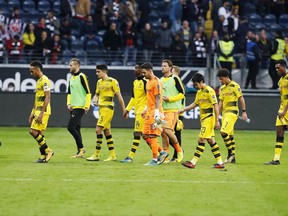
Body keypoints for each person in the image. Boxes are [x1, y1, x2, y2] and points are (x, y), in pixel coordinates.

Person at [179, 73, 225, 169]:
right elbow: (195, 104)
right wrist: (184, 109)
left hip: (209, 118)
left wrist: (217, 120)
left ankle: (193, 162)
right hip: (203, 119)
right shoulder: (199, 92)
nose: (195, 87)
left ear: (201, 82)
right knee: (211, 140)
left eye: (196, 84)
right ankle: (220, 162)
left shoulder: (209, 91)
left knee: (201, 139)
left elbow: (215, 106)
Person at [86, 64, 126, 162]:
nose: (96, 73)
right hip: (100, 109)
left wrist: (124, 109)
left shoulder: (113, 81)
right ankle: (113, 155)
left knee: (98, 130)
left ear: (104, 71)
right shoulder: (99, 82)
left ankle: (96, 154)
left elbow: (119, 96)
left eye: (98, 71)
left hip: (108, 108)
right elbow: (96, 94)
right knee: (106, 131)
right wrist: (94, 100)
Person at [140, 62, 169, 166]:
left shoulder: (156, 82)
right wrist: (145, 109)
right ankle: (162, 152)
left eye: (144, 72)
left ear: (150, 71)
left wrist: (157, 112)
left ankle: (155, 159)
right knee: (144, 135)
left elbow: (157, 98)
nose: (143, 75)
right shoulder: (148, 82)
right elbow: (150, 98)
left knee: (153, 134)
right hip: (149, 111)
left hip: (156, 112)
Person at [217, 68, 248, 163]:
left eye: (222, 79)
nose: (221, 81)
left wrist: (244, 111)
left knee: (223, 132)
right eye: (220, 79)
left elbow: (241, 98)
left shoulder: (235, 86)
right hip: (225, 113)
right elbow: (221, 102)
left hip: (233, 112)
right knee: (229, 135)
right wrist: (217, 114)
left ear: (227, 77)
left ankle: (230, 154)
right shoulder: (222, 88)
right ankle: (233, 158)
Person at [120, 61, 147, 163]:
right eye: (134, 68)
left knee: (137, 133)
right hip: (137, 111)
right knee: (145, 135)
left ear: (141, 70)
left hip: (143, 112)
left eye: (136, 68)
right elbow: (133, 98)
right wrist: (127, 110)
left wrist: (146, 109)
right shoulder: (135, 82)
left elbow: (150, 97)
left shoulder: (145, 82)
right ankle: (160, 153)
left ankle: (130, 157)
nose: (134, 70)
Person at [28, 60, 54, 163]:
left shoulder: (45, 80)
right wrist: (32, 113)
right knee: (40, 134)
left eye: (32, 71)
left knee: (32, 131)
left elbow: (48, 97)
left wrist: (42, 113)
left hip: (43, 111)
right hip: (37, 110)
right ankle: (43, 156)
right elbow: (37, 99)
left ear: (37, 70)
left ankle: (49, 151)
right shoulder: (39, 81)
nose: (31, 73)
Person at [264, 59, 288, 165]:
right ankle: (276, 159)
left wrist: (284, 110)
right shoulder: (280, 80)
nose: (277, 69)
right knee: (279, 132)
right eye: (276, 68)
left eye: (279, 67)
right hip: (282, 109)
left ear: (284, 67)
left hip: (286, 110)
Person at [160, 59, 184, 163]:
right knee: (162, 133)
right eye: (162, 66)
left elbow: (182, 93)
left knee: (167, 130)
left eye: (165, 66)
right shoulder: (160, 80)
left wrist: (170, 99)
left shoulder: (175, 78)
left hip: (173, 110)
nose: (162, 67)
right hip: (162, 110)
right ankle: (166, 156)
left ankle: (179, 150)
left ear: (170, 67)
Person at [67, 58, 91, 158]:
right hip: (73, 106)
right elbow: (69, 93)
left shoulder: (82, 76)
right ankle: (79, 152)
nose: (69, 67)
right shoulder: (71, 78)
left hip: (80, 106)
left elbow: (88, 92)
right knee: (77, 128)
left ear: (77, 66)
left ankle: (81, 148)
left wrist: (87, 105)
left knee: (70, 127)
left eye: (71, 65)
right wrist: (68, 103)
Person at [169, 65, 185, 162]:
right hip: (173, 111)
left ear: (177, 73)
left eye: (172, 71)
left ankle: (176, 155)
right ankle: (179, 150)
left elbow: (182, 96)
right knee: (168, 133)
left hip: (178, 112)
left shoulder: (177, 81)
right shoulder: (171, 82)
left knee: (176, 133)